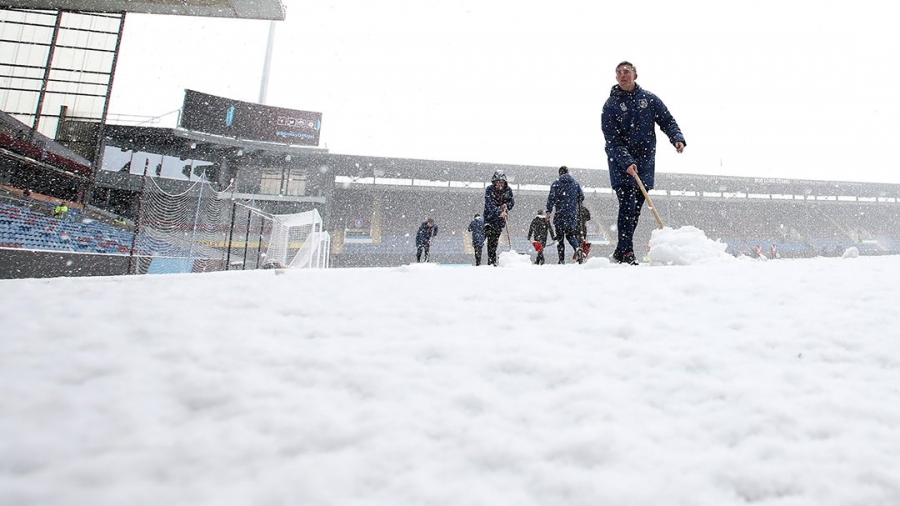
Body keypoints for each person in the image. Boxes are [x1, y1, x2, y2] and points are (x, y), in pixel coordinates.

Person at [601, 61, 685, 265]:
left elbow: (666, 120)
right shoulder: (610, 105)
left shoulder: (649, 99)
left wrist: (676, 137)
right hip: (622, 165)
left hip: (645, 162)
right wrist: (626, 161)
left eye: (626, 72)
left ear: (635, 75)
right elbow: (611, 139)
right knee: (627, 206)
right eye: (619, 72)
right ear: (616, 77)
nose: (623, 75)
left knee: (635, 209)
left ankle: (621, 251)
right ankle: (627, 252)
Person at [545, 166, 585, 264]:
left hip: (560, 214)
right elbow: (582, 197)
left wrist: (548, 211)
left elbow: (551, 198)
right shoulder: (575, 183)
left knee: (560, 239)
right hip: (572, 215)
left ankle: (561, 260)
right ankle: (577, 248)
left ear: (560, 173)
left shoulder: (556, 183)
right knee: (570, 235)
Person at [483, 169, 515, 266]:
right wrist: (499, 212)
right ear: (494, 182)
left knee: (495, 240)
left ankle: (492, 259)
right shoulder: (489, 190)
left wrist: (506, 205)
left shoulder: (508, 190)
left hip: (500, 221)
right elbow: (489, 205)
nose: (500, 184)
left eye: (501, 182)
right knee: (491, 239)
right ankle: (491, 260)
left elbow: (512, 202)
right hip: (490, 219)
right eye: (498, 182)